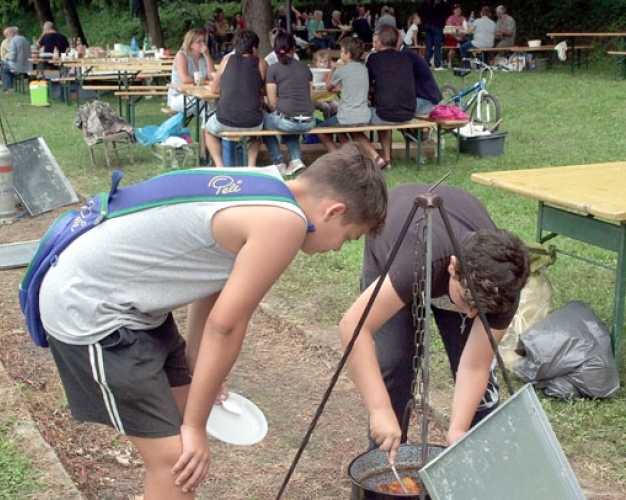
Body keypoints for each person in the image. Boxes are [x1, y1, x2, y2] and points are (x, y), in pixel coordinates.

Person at [38, 144, 388, 500]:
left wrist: (198, 368)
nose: (339, 248)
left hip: (131, 304)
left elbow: (213, 282)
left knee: (187, 418)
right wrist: (193, 426)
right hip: (90, 309)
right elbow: (226, 326)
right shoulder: (286, 222)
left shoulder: (262, 183)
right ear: (334, 211)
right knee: (177, 462)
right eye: (349, 237)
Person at [339, 183, 530, 464]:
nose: (472, 315)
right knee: (395, 361)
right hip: (396, 247)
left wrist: (457, 431)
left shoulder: (504, 284)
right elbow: (354, 327)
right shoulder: (417, 260)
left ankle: (475, 470)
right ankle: (383, 469)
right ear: (453, 267)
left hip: (453, 265)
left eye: (482, 310)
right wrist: (379, 410)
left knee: (481, 394)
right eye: (468, 303)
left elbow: (475, 364)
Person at [203, 30, 267, 167]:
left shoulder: (226, 60)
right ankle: (251, 165)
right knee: (257, 135)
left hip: (224, 119)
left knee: (207, 130)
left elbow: (214, 89)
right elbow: (264, 90)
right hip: (253, 122)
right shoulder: (261, 63)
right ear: (254, 47)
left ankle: (220, 166)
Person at [262, 31, 315, 176]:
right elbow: (310, 97)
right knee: (286, 121)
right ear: (294, 49)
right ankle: (296, 160)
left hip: (288, 120)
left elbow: (272, 103)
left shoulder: (273, 69)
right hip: (309, 120)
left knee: (264, 122)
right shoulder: (305, 68)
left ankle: (278, 162)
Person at [366, 26, 416, 169]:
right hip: (409, 113)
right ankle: (388, 161)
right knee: (386, 108)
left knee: (354, 118)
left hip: (384, 113)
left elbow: (367, 84)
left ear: (380, 42)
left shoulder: (374, 59)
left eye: (375, 42)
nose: (374, 45)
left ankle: (377, 157)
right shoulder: (406, 59)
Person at [316, 37, 373, 154]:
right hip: (364, 115)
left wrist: (333, 70)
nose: (340, 53)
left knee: (320, 130)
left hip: (346, 116)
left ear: (348, 54)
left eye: (342, 51)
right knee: (343, 129)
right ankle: (371, 156)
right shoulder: (364, 69)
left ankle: (336, 155)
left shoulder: (341, 71)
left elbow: (328, 88)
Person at [167, 29, 217, 115]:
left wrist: (208, 57)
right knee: (207, 102)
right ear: (190, 44)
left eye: (203, 41)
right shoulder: (181, 56)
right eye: (199, 42)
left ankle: (205, 128)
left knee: (213, 107)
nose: (203, 44)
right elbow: (185, 79)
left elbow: (212, 76)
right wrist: (205, 81)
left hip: (199, 95)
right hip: (180, 96)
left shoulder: (203, 57)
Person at [399, 33, 441, 116]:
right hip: (422, 98)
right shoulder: (405, 53)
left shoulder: (405, 56)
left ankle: (423, 128)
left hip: (425, 100)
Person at [419, 0, 451, 70]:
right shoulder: (440, 3)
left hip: (428, 26)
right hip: (437, 25)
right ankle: (437, 65)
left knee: (428, 46)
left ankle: (426, 64)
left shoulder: (426, 2)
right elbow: (446, 11)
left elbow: (421, 12)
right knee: (437, 46)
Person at [1, 26, 31, 93]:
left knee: (4, 66)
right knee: (5, 64)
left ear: (12, 33)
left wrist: (8, 56)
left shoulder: (14, 41)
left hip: (18, 65)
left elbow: (13, 57)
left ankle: (9, 88)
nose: (7, 36)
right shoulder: (25, 39)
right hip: (27, 64)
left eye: (7, 34)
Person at [312, 49, 339, 120]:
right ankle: (326, 123)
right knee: (326, 107)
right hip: (316, 99)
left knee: (337, 106)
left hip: (328, 98)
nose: (322, 64)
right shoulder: (314, 73)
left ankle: (333, 123)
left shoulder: (330, 73)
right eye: (320, 62)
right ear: (316, 62)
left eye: (325, 62)